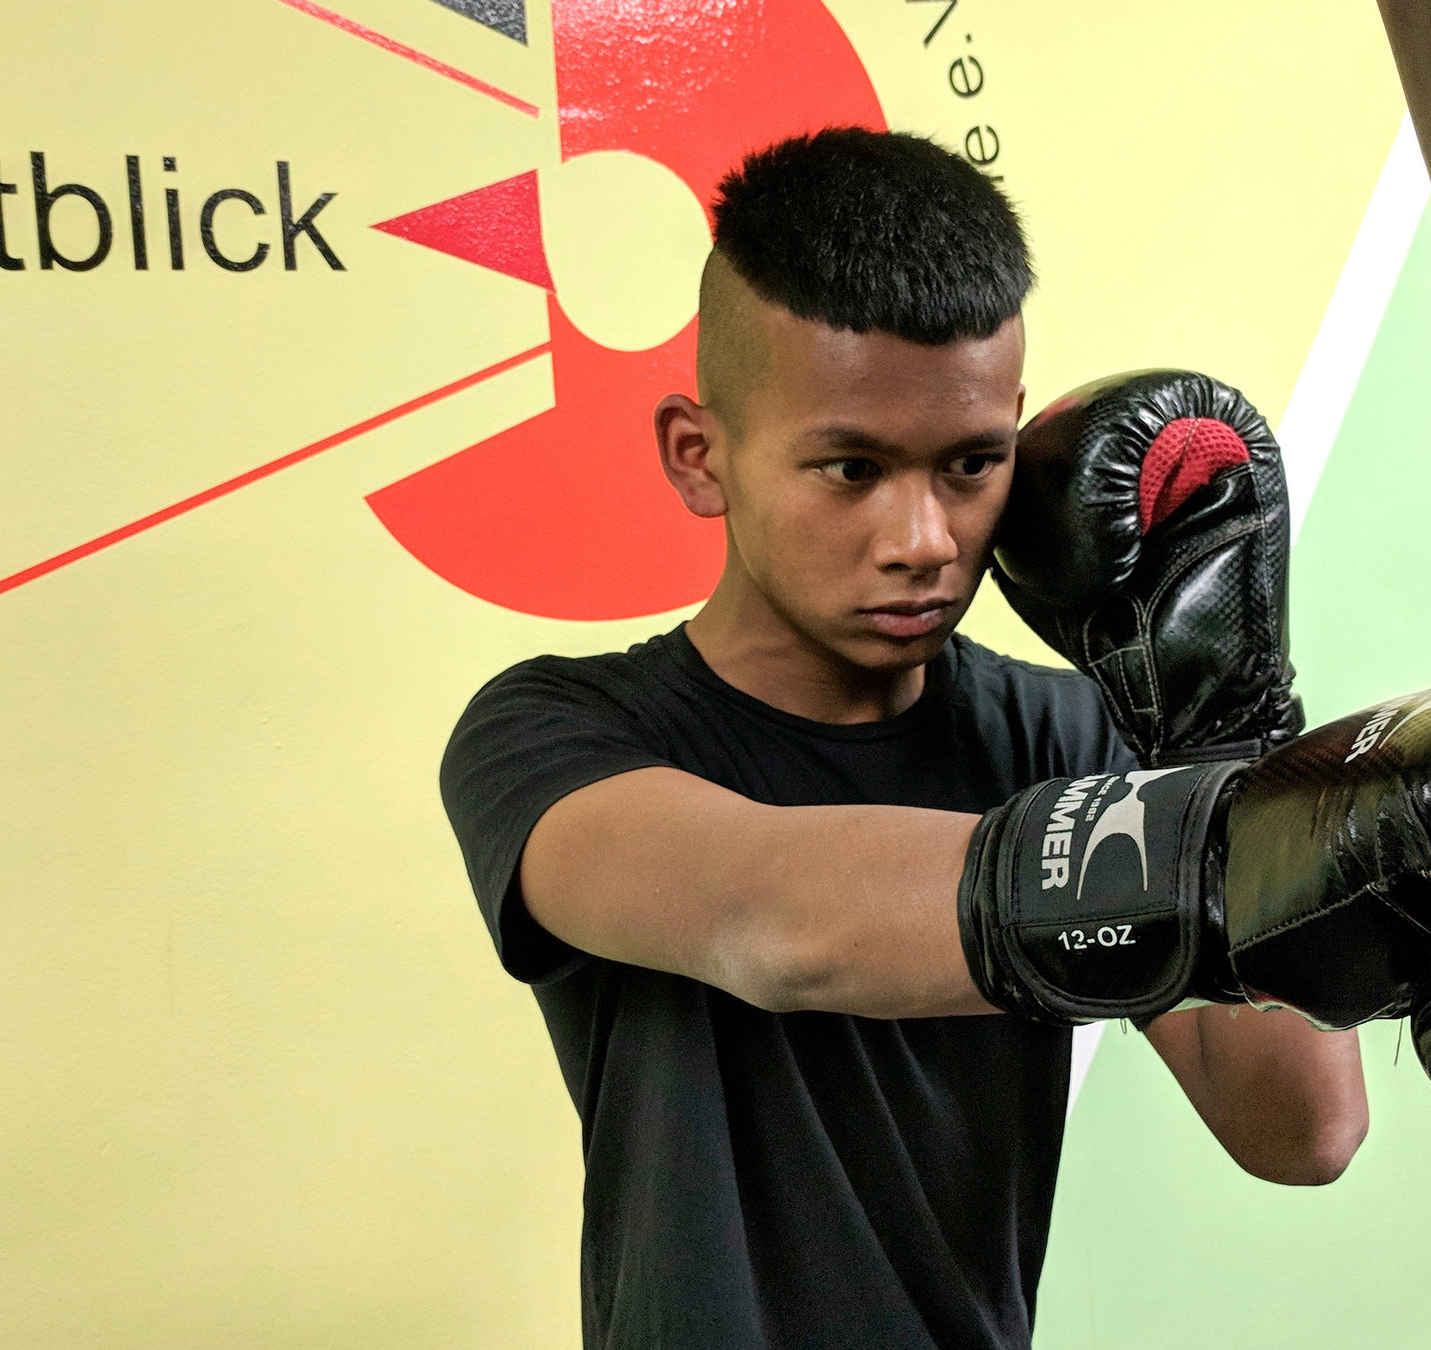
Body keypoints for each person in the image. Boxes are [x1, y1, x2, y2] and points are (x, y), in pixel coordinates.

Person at [441, 128, 1366, 1350]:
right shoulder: (558, 734)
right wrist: (1241, 845)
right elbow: (776, 922)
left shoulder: (1067, 733)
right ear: (699, 456)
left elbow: (1304, 1131)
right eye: (851, 469)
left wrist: (1234, 746)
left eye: (972, 464)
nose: (924, 539)